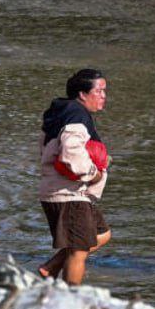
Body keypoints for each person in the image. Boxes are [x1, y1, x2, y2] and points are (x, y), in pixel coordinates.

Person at [38, 69, 111, 285]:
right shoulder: (76, 114)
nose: (104, 96)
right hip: (69, 194)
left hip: (68, 193)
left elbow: (47, 149)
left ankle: (50, 267)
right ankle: (72, 300)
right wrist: (94, 174)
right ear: (82, 94)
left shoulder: (61, 112)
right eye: (99, 91)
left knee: (102, 234)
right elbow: (71, 151)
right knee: (78, 252)